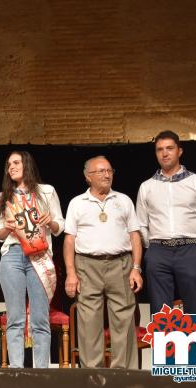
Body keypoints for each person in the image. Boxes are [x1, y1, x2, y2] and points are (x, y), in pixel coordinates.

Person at [64, 156, 143, 369]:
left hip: (120, 264)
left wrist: (136, 268)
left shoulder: (123, 200)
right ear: (88, 177)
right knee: (89, 320)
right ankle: (93, 375)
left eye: (109, 170)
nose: (107, 175)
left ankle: (124, 374)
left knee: (124, 317)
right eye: (100, 171)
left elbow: (135, 235)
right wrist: (71, 273)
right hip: (87, 265)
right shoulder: (77, 203)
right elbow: (69, 240)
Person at [0, 151, 64, 368]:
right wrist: (6, 229)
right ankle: (16, 369)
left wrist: (50, 222)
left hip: (39, 256)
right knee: (15, 317)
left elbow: (61, 226)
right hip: (12, 256)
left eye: (16, 163)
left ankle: (41, 371)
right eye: (8, 164)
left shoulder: (46, 192)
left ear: (27, 165)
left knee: (40, 318)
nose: (11, 167)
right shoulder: (3, 197)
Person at [136, 130, 196, 314]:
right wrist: (153, 247)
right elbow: (141, 223)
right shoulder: (147, 187)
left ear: (179, 151)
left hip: (190, 248)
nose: (164, 153)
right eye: (160, 149)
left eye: (170, 148)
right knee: (160, 310)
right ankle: (165, 344)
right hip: (158, 250)